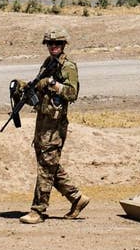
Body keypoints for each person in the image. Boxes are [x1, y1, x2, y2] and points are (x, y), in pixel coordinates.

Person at [17, 28, 89, 224]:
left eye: (57, 44)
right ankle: (76, 198)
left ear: (63, 45)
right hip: (43, 121)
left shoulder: (68, 67)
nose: (53, 47)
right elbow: (39, 88)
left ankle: (38, 210)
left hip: (55, 124)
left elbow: (72, 93)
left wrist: (52, 84)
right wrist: (26, 87)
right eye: (50, 44)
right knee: (48, 164)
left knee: (46, 167)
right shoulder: (48, 63)